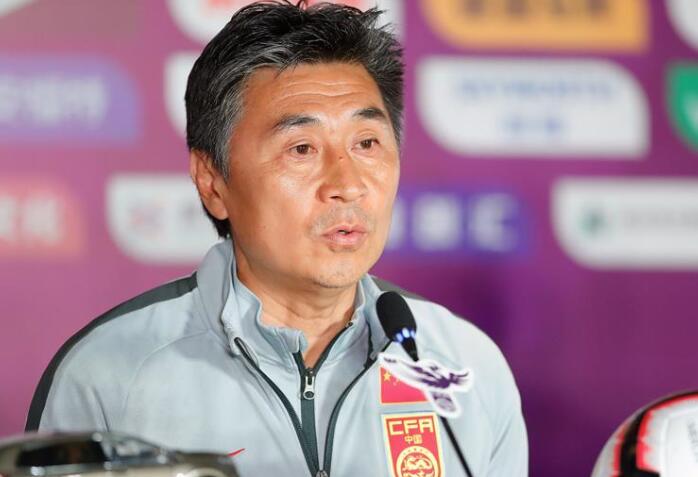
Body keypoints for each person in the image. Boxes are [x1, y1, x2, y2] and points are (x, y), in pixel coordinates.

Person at [26, 2, 527, 476]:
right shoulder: (109, 373)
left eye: (367, 143)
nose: (347, 184)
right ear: (212, 183)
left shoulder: (463, 364)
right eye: (302, 148)